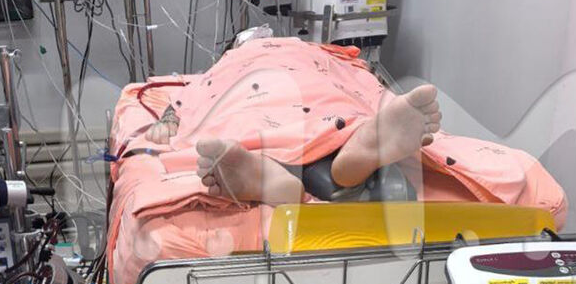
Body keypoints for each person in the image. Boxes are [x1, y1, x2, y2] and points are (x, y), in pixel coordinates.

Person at [146, 83, 442, 206]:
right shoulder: (325, 55)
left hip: (250, 100)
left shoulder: (224, 67)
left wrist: (169, 120)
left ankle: (270, 172)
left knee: (238, 113)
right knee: (340, 105)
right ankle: (356, 145)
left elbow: (189, 97)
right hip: (324, 104)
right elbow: (362, 84)